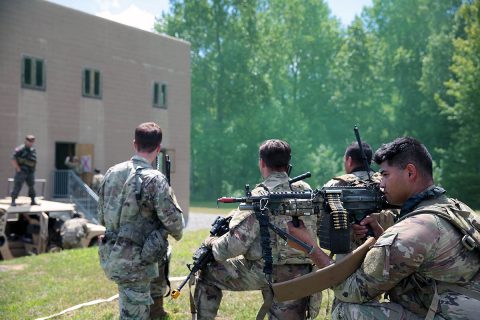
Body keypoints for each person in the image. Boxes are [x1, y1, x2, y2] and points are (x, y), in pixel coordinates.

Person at [288, 137, 480, 319]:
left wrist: (310, 247)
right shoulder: (454, 207)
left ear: (410, 172)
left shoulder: (411, 232)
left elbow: (351, 290)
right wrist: (381, 235)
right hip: (463, 307)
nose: (381, 183)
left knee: (346, 310)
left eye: (386, 175)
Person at [194, 139, 321, 320]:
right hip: (303, 273)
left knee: (208, 272)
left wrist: (211, 243)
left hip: (265, 271)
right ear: (288, 164)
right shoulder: (306, 190)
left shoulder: (259, 196)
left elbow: (235, 245)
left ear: (262, 163)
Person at [97, 122, 184, 320]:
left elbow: (101, 217)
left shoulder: (111, 173)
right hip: (137, 261)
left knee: (131, 303)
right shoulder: (155, 179)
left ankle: (156, 311)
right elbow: (176, 225)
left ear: (134, 144)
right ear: (158, 148)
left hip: (112, 254)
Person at [323, 141, 397, 253]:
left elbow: (322, 225)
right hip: (387, 252)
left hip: (348, 258)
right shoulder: (386, 182)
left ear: (349, 160)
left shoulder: (334, 185)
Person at [10, 135, 38, 206]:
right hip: (22, 171)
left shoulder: (32, 150)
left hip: (30, 171)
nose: (30, 143)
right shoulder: (20, 149)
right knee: (18, 185)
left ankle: (33, 200)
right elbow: (13, 158)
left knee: (31, 186)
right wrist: (18, 168)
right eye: (29, 141)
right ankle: (13, 201)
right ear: (26, 141)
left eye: (32, 142)